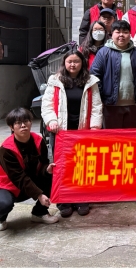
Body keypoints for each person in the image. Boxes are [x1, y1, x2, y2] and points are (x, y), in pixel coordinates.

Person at [41, 50, 103, 217]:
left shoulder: (90, 81)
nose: (73, 64)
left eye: (76, 61)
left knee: (82, 165)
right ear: (64, 63)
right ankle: (64, 200)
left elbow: (96, 106)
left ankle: (81, 199)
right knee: (62, 165)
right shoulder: (55, 80)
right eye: (70, 61)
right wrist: (51, 121)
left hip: (82, 131)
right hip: (61, 131)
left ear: (82, 63)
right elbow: (47, 105)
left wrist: (95, 126)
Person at [0, 108, 58, 231]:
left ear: (31, 123)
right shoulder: (6, 149)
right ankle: (0, 218)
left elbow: (43, 163)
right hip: (8, 186)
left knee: (53, 176)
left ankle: (39, 213)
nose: (23, 125)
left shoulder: (38, 141)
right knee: (2, 205)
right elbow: (18, 177)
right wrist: (39, 195)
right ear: (11, 127)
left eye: (26, 121)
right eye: (18, 123)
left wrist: (46, 170)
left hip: (30, 182)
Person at [90, 20, 136, 129]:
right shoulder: (103, 52)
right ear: (111, 34)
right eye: (118, 32)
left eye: (125, 32)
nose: (121, 35)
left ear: (130, 34)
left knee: (131, 137)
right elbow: (94, 76)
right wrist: (101, 98)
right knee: (112, 137)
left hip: (133, 105)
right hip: (110, 106)